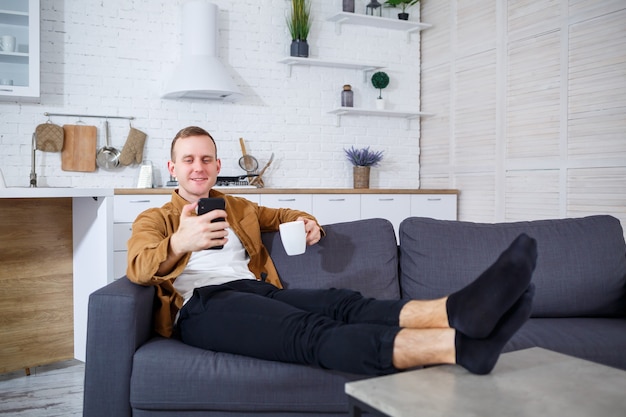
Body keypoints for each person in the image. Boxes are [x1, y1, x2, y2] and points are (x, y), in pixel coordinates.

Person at [126, 126, 537, 376]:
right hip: (201, 306)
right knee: (308, 334)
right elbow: (139, 269)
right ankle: (461, 349)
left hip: (258, 291)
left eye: (206, 159)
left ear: (217, 167)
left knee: (343, 303)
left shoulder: (239, 206)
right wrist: (182, 240)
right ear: (173, 167)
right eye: (188, 160)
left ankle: (456, 312)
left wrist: (309, 224)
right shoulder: (155, 218)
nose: (198, 167)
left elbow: (285, 212)